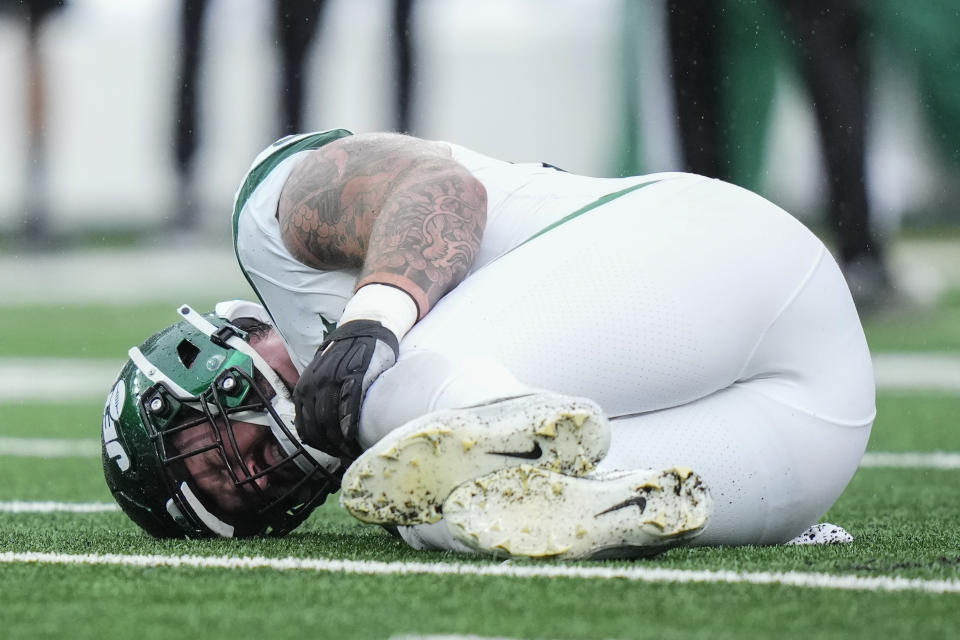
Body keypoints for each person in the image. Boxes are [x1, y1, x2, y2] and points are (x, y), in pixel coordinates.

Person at [102, 129, 875, 559]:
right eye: (239, 489)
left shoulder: (269, 218)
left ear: (213, 351)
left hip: (718, 255)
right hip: (813, 431)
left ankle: (508, 435)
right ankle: (587, 491)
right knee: (432, 514)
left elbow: (444, 191)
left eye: (216, 443)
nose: (256, 462)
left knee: (386, 405)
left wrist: (371, 322)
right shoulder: (397, 465)